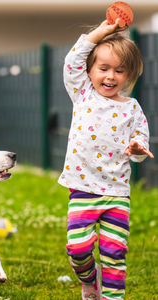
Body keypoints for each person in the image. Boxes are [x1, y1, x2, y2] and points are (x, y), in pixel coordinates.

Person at [58, 19, 154, 300]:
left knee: (115, 253)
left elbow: (140, 144)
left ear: (129, 75)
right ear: (89, 71)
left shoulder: (133, 108)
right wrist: (100, 32)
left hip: (116, 194)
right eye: (103, 68)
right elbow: (71, 61)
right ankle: (90, 279)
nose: (110, 76)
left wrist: (137, 149)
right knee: (77, 248)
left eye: (119, 70)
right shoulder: (82, 94)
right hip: (83, 189)